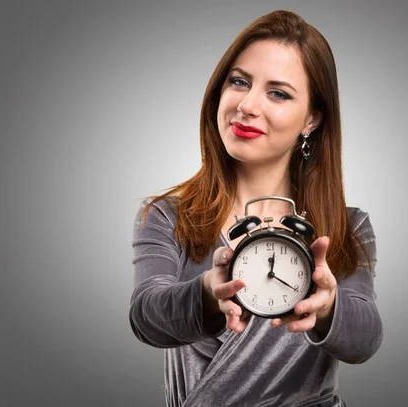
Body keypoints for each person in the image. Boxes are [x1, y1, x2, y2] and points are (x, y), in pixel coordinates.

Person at [129, 10, 383, 407]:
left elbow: (365, 339)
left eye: (278, 93)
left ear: (312, 118)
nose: (247, 105)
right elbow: (146, 317)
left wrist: (330, 306)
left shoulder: (345, 226)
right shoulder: (168, 216)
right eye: (239, 82)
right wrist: (206, 296)